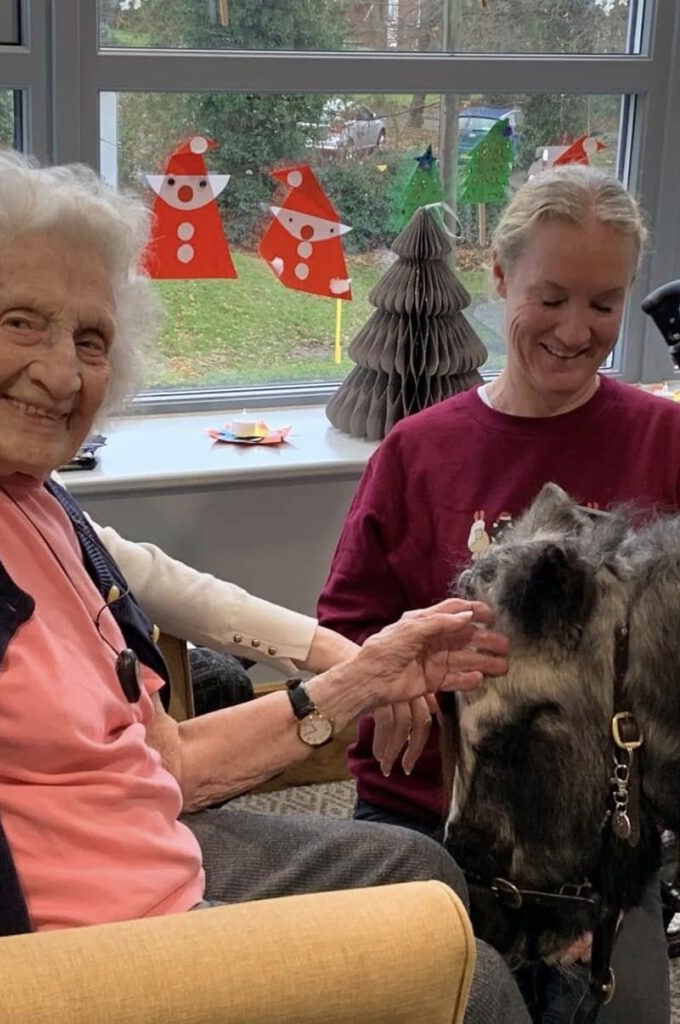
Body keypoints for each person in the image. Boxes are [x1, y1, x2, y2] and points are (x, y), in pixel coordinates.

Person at [0, 150, 531, 1024]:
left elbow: (170, 761)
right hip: (93, 954)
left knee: (419, 865)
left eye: (90, 340)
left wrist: (367, 674)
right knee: (466, 974)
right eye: (21, 323)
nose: (60, 373)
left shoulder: (42, 507)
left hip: (155, 847)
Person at [318, 164, 679, 1022]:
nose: (575, 328)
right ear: (501, 278)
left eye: (604, 302)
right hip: (427, 813)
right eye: (550, 297)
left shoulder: (665, 440)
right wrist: (382, 671)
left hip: (607, 830)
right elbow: (342, 626)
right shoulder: (419, 451)